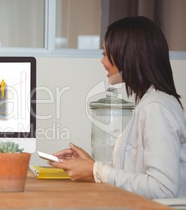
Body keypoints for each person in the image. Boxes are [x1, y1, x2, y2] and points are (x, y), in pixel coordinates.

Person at [49, 16, 186, 199]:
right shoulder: (150, 103)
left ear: (127, 56)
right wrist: (92, 166)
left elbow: (162, 188)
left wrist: (96, 171)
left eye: (105, 54)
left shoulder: (156, 107)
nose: (102, 62)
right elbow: (135, 174)